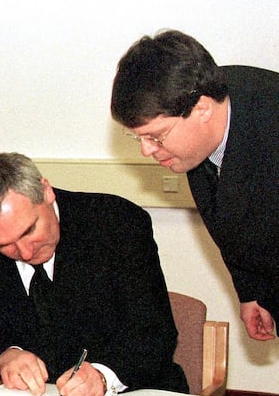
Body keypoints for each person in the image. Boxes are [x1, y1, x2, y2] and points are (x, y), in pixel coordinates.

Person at [0, 153, 187, 396]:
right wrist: (4, 358)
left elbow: (155, 334)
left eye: (29, 230)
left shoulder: (116, 223)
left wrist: (103, 376)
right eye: (3, 246)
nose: (26, 253)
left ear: (46, 192)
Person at [111, 29, 279, 341]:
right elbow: (231, 219)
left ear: (202, 109)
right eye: (138, 138)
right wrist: (251, 290)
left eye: (156, 136)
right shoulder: (201, 107)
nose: (146, 150)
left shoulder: (269, 124)